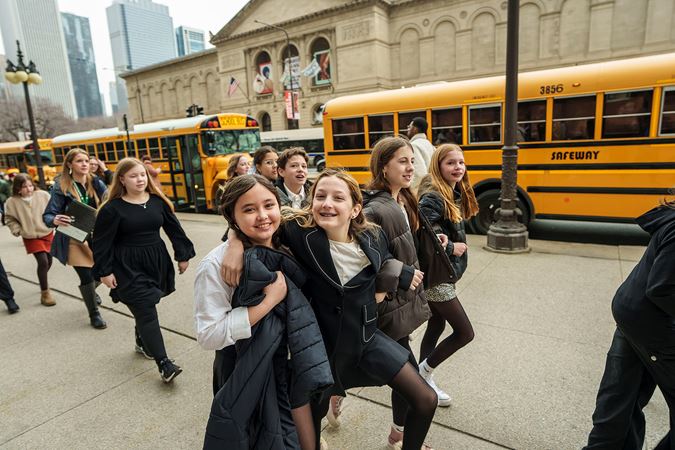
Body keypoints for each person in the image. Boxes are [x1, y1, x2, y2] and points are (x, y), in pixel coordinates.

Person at [222, 169, 437, 450]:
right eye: (320, 196)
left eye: (338, 197)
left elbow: (385, 261)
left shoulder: (373, 236)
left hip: (365, 340)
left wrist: (396, 276)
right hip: (321, 351)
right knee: (311, 419)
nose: (327, 203)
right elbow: (255, 222)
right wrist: (234, 245)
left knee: (425, 399)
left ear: (355, 208)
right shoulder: (299, 232)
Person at [195, 174, 332, 449]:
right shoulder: (216, 266)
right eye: (248, 209)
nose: (262, 216)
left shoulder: (291, 241)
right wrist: (267, 303)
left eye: (269, 205)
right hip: (245, 368)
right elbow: (208, 334)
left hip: (294, 364)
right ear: (232, 217)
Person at [92, 157, 195, 383]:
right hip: (126, 266)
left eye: (142, 175)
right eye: (133, 176)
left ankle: (141, 341)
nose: (139, 179)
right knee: (147, 310)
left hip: (156, 262)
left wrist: (183, 254)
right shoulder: (112, 209)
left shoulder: (158, 201)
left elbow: (174, 229)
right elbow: (101, 243)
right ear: (122, 179)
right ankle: (164, 364)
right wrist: (104, 271)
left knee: (146, 306)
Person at [584, 198, 675, 450]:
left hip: (632, 311)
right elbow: (663, 288)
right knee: (619, 400)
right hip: (653, 322)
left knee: (620, 399)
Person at [362, 136, 434, 449]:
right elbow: (369, 259)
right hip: (387, 310)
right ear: (383, 166)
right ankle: (400, 436)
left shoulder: (403, 200)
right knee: (416, 388)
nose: (410, 167)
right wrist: (399, 274)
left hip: (399, 305)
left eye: (411, 160)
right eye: (402, 161)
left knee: (408, 380)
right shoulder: (376, 208)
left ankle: (397, 432)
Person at [417, 144, 479, 407]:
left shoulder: (450, 192)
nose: (458, 168)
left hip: (442, 275)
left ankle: (422, 381)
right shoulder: (433, 196)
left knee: (437, 324)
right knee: (465, 333)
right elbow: (426, 235)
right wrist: (454, 247)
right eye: (451, 163)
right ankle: (424, 372)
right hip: (437, 278)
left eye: (461, 163)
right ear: (438, 166)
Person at [43, 148, 108, 329]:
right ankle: (94, 313)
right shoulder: (60, 186)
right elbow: (48, 215)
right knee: (87, 276)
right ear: (70, 164)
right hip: (75, 237)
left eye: (86, 161)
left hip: (98, 235)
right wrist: (54, 219)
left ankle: (90, 292)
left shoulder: (96, 182)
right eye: (80, 161)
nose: (85, 164)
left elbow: (109, 202)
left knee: (103, 272)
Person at [4, 173, 56, 306]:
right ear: (18, 189)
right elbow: (9, 218)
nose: (29, 189)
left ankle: (42, 280)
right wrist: (18, 231)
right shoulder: (12, 202)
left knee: (49, 261)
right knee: (43, 262)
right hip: (30, 236)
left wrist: (53, 222)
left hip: (47, 232)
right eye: (24, 187)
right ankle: (45, 293)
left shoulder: (43, 195)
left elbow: (53, 210)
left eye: (30, 185)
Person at [406, 117, 434, 191]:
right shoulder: (430, 145)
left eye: (409, 126)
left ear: (415, 129)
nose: (407, 129)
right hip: (431, 187)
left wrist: (410, 192)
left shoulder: (413, 145)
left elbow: (419, 174)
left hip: (420, 191)